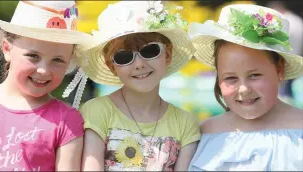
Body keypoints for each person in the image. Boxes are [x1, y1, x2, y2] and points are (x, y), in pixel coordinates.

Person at [0, 1, 93, 171]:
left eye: (58, 60)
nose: (43, 70)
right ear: (7, 49)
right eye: (33, 56)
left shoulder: (67, 121)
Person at [78, 1, 201, 171]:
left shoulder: (185, 123)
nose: (139, 64)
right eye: (124, 57)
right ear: (111, 66)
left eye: (150, 51)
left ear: (168, 54)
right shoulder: (98, 111)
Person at [187, 4, 303, 171]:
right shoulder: (207, 131)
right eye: (231, 78)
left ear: (280, 70)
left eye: (254, 75)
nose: (243, 89)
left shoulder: (299, 128)